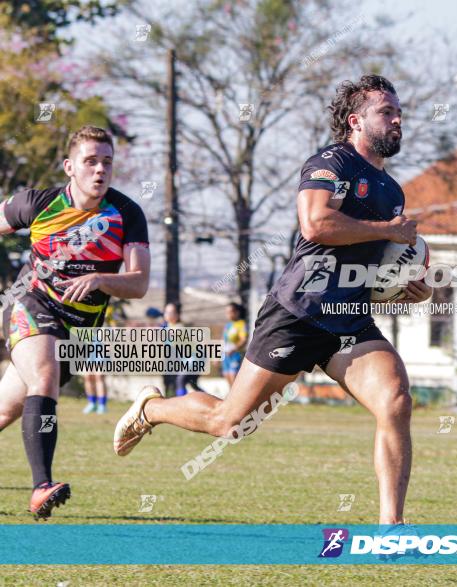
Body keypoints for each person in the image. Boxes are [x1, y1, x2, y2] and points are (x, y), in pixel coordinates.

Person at [115, 75, 431, 525]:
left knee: (395, 400)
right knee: (229, 423)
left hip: (349, 320)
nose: (398, 119)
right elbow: (315, 224)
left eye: (399, 112)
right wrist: (387, 230)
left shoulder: (392, 190)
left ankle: (391, 527)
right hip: (298, 312)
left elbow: (387, 262)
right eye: (387, 112)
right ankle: (153, 408)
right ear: (356, 120)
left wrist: (415, 287)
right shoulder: (330, 162)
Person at [0, 126, 150, 519]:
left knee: (5, 410)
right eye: (90, 161)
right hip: (32, 305)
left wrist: (101, 279)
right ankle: (41, 486)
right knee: (45, 376)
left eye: (107, 162)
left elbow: (139, 284)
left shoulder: (127, 213)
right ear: (70, 167)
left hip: (80, 330)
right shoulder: (36, 203)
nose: (100, 170)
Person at [221, 302, 248, 389]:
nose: (228, 314)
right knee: (227, 376)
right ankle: (232, 400)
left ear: (237, 312)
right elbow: (223, 341)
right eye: (226, 312)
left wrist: (233, 349)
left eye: (230, 312)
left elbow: (244, 340)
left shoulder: (241, 324)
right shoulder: (227, 325)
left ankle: (240, 400)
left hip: (236, 355)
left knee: (234, 377)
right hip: (225, 356)